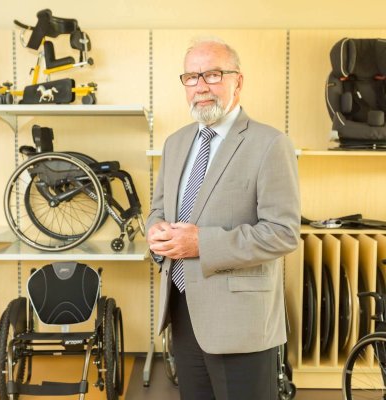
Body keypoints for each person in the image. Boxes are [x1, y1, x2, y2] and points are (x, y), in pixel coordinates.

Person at [146, 37, 300, 400]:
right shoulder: (175, 143)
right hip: (183, 311)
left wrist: (202, 243)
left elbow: (283, 233)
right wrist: (155, 232)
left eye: (213, 75)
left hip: (240, 322)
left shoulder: (269, 144)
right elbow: (159, 209)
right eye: (191, 77)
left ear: (238, 81)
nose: (200, 86)